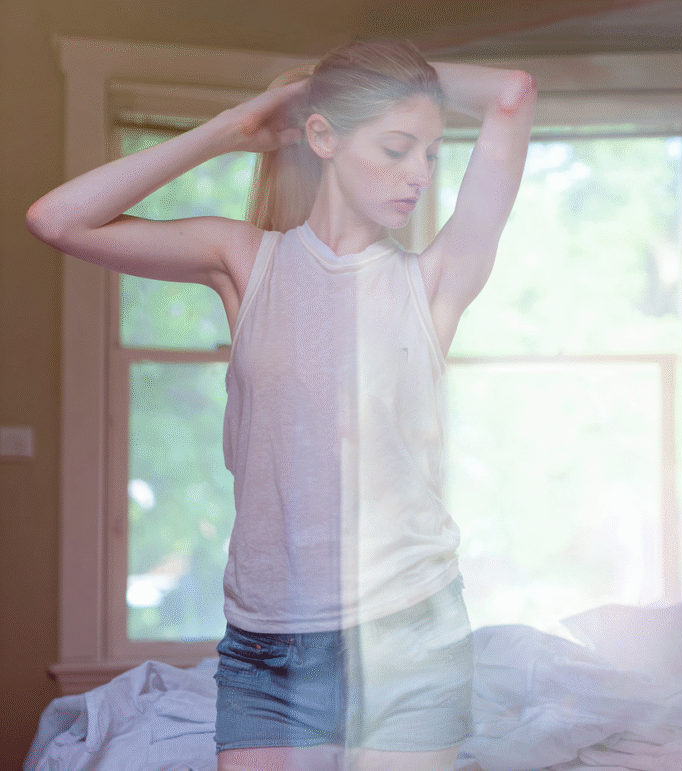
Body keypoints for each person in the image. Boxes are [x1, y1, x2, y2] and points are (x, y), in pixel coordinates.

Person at [27, 40, 536, 771]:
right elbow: (56, 220)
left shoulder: (433, 281)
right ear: (323, 137)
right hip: (266, 646)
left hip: (410, 632)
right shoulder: (245, 261)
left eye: (430, 154)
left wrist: (352, 78)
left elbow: (513, 93)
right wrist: (235, 127)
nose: (419, 174)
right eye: (396, 148)